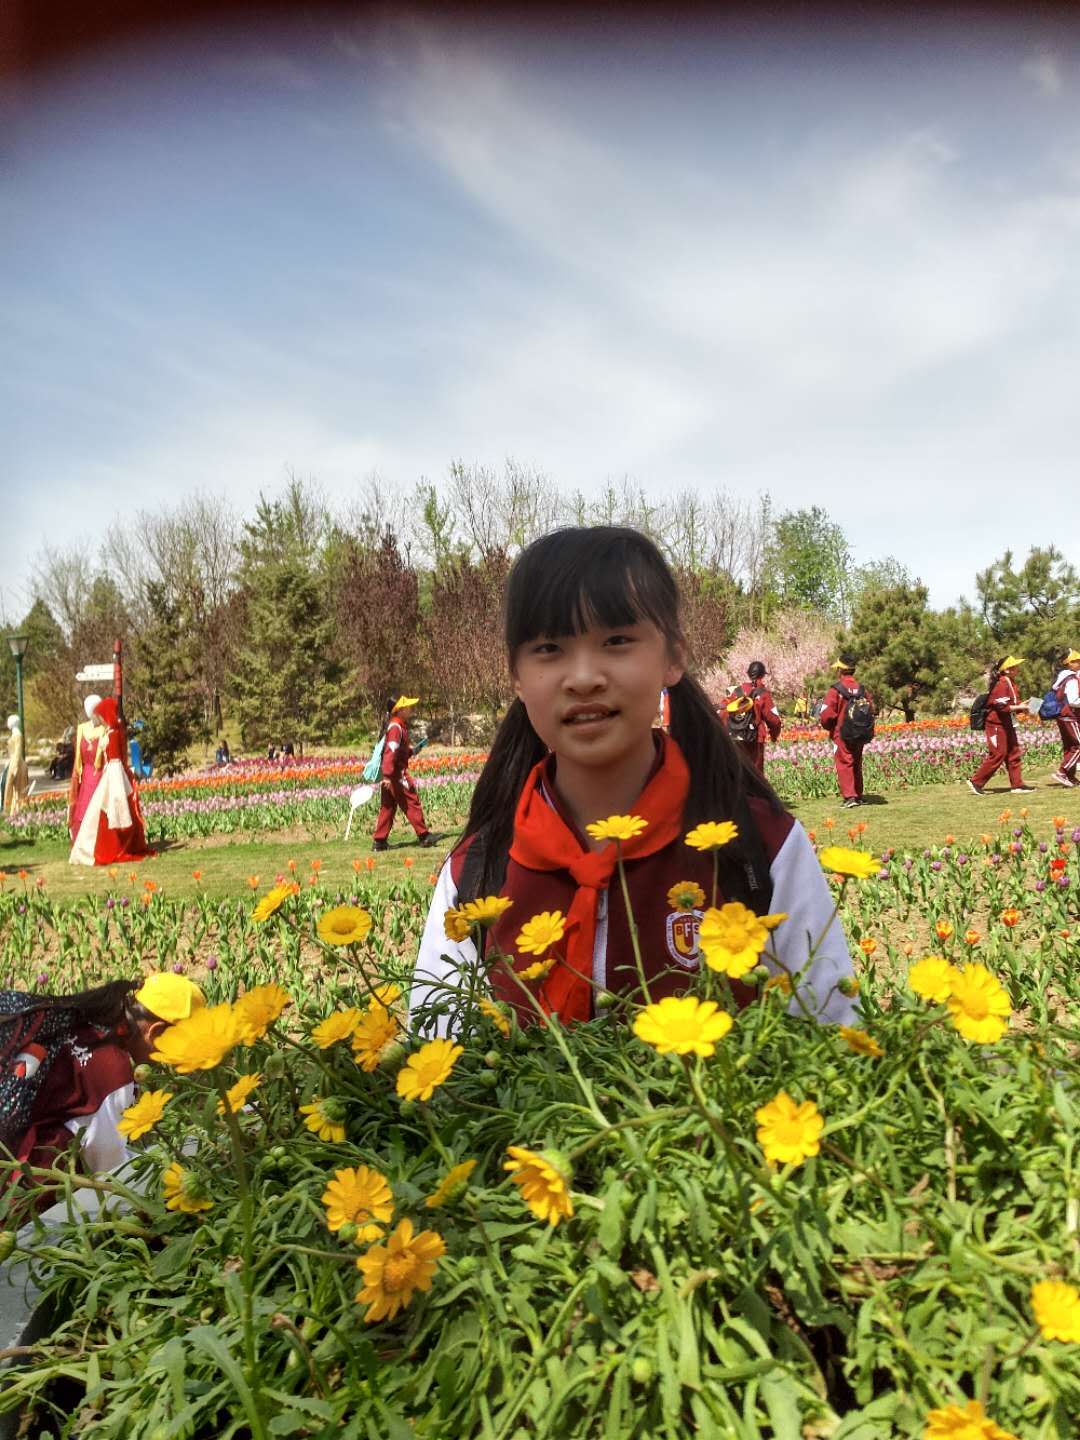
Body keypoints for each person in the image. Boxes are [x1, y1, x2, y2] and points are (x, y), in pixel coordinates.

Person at [409, 526, 855, 1035]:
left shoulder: (760, 850)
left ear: (673, 658)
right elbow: (438, 1058)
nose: (583, 678)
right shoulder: (477, 871)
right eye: (549, 648)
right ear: (515, 676)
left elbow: (830, 1038)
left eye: (616, 641)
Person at [1, 974, 204, 1202]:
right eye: (181, 1047)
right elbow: (110, 1171)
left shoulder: (86, 1016)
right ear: (155, 1032)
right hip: (21, 1189)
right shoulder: (113, 1074)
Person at [69, 697, 152, 866]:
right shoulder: (109, 731)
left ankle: (111, 846)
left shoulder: (112, 733)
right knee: (99, 811)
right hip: (107, 772)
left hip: (113, 774)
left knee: (109, 810)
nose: (99, 718)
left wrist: (114, 780)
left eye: (101, 715)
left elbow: (115, 759)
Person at [373, 695, 437, 851]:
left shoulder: (397, 726)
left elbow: (397, 751)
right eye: (407, 707)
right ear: (400, 710)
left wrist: (411, 751)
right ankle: (424, 836)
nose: (411, 709)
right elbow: (390, 752)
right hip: (396, 774)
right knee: (411, 801)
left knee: (388, 807)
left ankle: (379, 842)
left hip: (390, 774)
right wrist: (388, 776)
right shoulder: (396, 727)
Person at [968, 656, 1033, 796]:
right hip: (996, 725)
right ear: (1007, 670)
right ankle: (976, 782)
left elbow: (1012, 704)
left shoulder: (1010, 682)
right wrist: (1020, 707)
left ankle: (1017, 785)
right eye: (1014, 666)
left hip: (1007, 723)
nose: (1017, 669)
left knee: (1013, 752)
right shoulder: (1002, 683)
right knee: (998, 754)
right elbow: (1001, 707)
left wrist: (1023, 706)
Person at [819, 658, 875, 808]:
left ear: (840, 670)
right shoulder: (862, 690)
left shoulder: (835, 690)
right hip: (860, 732)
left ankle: (850, 797)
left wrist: (830, 727)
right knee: (856, 762)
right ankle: (858, 795)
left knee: (844, 763)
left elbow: (826, 715)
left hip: (842, 732)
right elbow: (871, 709)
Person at [725, 661, 782, 774]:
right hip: (754, 738)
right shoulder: (763, 694)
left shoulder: (737, 691)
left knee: (738, 771)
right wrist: (774, 735)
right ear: (763, 675)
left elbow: (726, 712)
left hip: (735, 737)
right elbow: (773, 720)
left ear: (748, 674)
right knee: (755, 773)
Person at [67, 694, 107, 842]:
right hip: (85, 776)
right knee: (83, 808)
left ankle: (98, 841)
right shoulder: (82, 729)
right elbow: (78, 758)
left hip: (100, 775)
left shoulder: (105, 729)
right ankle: (84, 841)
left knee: (96, 808)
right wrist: (76, 778)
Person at [1048, 648, 1080, 789]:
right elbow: (1073, 701)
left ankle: (1069, 776)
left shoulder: (1063, 677)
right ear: (1069, 663)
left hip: (1063, 716)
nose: (1079, 663)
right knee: (1078, 746)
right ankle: (1062, 772)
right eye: (1076, 661)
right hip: (1070, 716)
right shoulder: (1071, 679)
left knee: (1070, 747)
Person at [3, 714, 29, 818]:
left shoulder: (17, 735)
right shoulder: (15, 734)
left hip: (17, 764)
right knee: (13, 789)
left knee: (19, 789)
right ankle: (14, 811)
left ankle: (18, 812)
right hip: (13, 762)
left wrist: (15, 766)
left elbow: (18, 752)